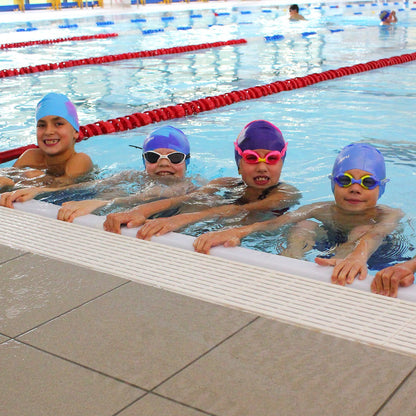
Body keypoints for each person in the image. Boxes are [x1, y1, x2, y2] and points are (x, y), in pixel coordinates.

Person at [193, 143, 403, 286]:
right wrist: (239, 231)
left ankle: (337, 276)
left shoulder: (389, 214)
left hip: (375, 256)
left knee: (363, 229)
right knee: (303, 226)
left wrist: (358, 256)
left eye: (368, 182)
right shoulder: (321, 209)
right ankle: (287, 265)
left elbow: (375, 235)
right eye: (345, 180)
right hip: (328, 249)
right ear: (333, 184)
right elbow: (280, 222)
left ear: (381, 188)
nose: (355, 189)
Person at [102, 120, 300, 237]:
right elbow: (181, 199)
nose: (262, 167)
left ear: (282, 162)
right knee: (197, 202)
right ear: (239, 164)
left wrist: (181, 220)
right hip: (219, 232)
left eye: (272, 159)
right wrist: (139, 211)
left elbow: (239, 210)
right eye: (251, 158)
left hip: (262, 238)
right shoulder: (225, 184)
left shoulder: (286, 193)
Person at [0, 126, 197, 222]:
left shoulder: (190, 186)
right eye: (154, 157)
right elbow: (91, 186)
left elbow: (153, 196)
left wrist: (103, 204)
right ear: (144, 161)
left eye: (175, 157)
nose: (164, 163)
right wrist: (40, 191)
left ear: (186, 161)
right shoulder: (131, 175)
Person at [0, 92, 93, 191]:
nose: (48, 132)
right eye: (42, 125)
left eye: (58, 124)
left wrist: (35, 181)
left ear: (75, 132)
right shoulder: (30, 156)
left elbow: (62, 187)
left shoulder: (80, 160)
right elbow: (6, 175)